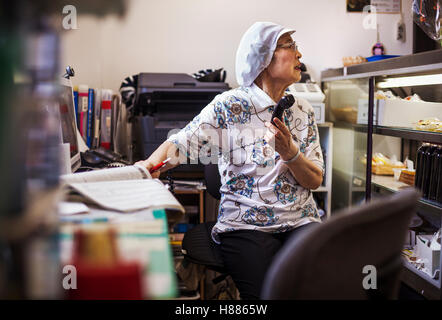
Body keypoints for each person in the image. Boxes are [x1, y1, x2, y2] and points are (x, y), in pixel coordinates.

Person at [137, 21, 324, 299]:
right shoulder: (229, 106)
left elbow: (315, 180)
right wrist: (143, 169)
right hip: (245, 223)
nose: (299, 54)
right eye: (291, 47)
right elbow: (179, 144)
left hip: (300, 221)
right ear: (263, 57)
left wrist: (290, 153)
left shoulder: (303, 110)